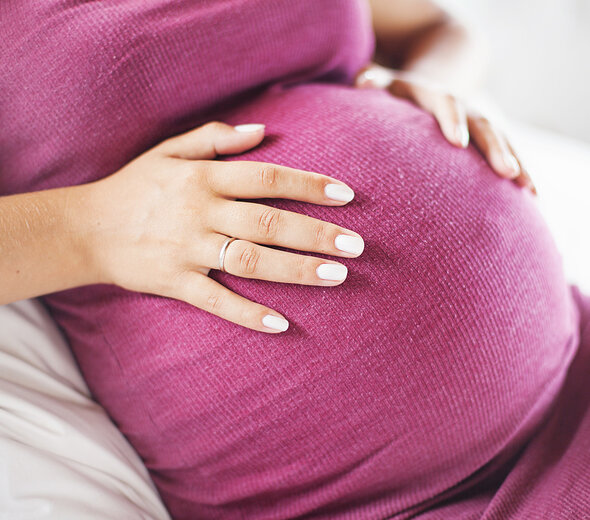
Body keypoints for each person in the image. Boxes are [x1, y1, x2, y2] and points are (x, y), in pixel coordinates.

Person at [1, 0, 588, 518]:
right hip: (371, 498)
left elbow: (441, 28)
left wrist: (425, 85)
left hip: (570, 369)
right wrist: (94, 227)